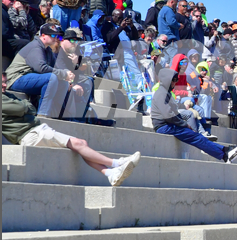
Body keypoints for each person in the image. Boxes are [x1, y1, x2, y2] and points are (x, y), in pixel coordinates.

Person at [2, 72, 140, 187]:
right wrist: (24, 106)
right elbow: (22, 107)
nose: (5, 85)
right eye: (2, 83)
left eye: (5, 82)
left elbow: (30, 107)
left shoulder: (7, 96)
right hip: (30, 135)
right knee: (79, 143)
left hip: (37, 130)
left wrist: (24, 107)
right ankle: (117, 163)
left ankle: (110, 173)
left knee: (81, 145)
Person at [151, 68, 237, 162]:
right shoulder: (161, 93)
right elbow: (169, 116)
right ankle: (224, 155)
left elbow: (175, 113)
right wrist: (184, 124)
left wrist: (184, 124)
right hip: (164, 127)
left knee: (197, 135)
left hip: (169, 125)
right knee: (196, 137)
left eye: (176, 80)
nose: (175, 83)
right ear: (167, 80)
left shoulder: (167, 93)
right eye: (173, 80)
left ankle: (225, 150)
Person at [4, 23, 75, 117]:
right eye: (52, 35)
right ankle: (43, 114)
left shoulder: (47, 50)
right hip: (15, 78)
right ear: (43, 36)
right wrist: (63, 74)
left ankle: (56, 115)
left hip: (30, 78)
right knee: (51, 78)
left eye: (57, 36)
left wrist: (67, 77)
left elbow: (56, 68)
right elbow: (41, 68)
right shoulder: (35, 46)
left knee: (63, 83)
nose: (55, 38)